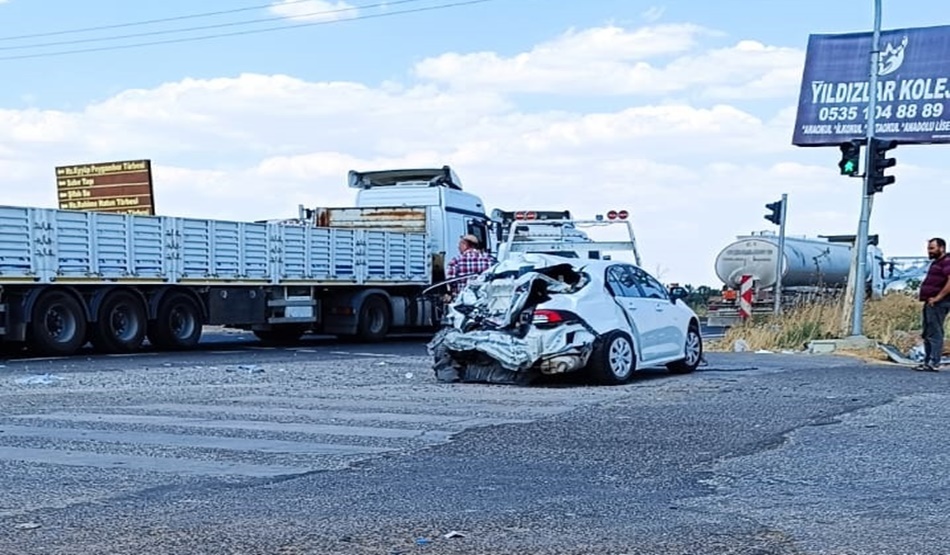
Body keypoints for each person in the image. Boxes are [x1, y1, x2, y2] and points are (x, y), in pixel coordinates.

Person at [916, 237, 950, 372]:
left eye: (932, 248)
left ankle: (933, 362)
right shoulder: (937, 262)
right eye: (928, 248)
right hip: (930, 302)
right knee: (928, 331)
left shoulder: (947, 261)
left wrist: (937, 298)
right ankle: (927, 361)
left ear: (941, 248)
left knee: (934, 332)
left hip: (939, 302)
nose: (929, 251)